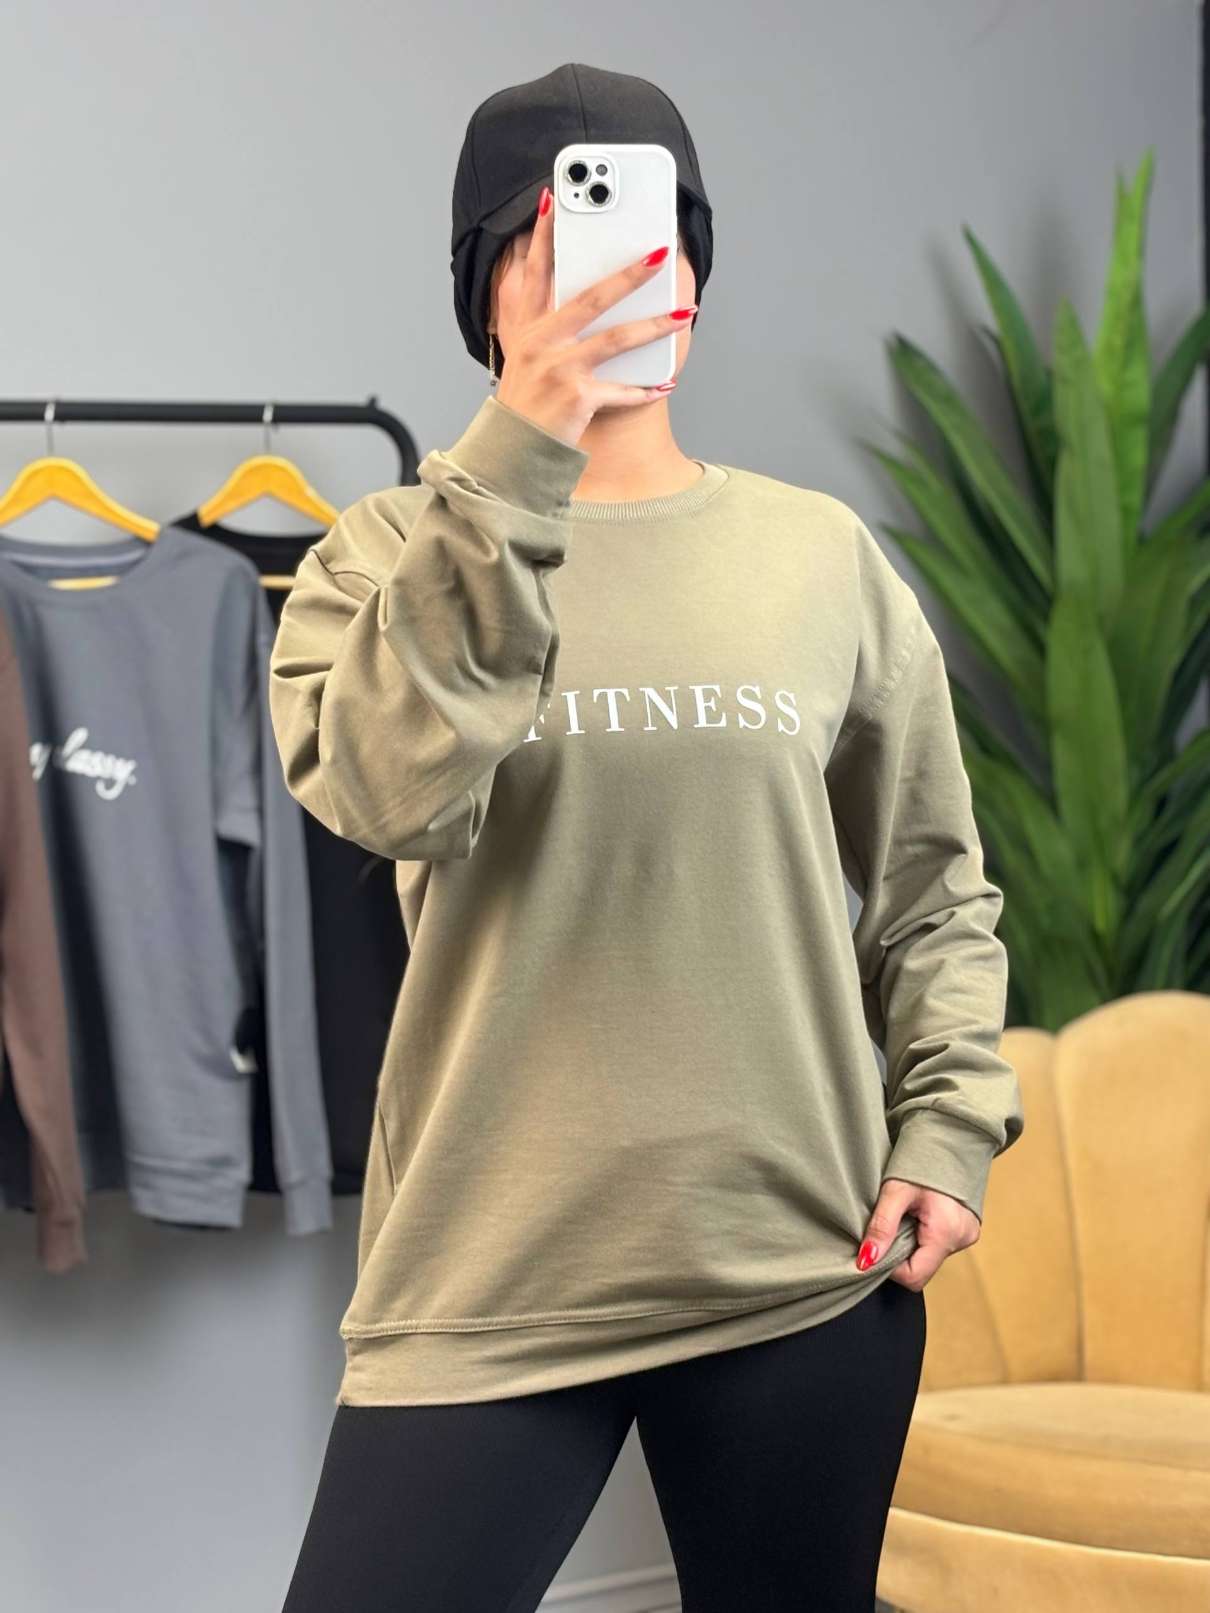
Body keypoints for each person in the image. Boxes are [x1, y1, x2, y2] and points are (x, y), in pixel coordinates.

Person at [270, 61, 1024, 1613]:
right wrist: (517, 459)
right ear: (484, 289)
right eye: (552, 240)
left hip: (800, 1273)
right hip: (488, 1280)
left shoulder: (818, 556)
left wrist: (948, 1131)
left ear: (690, 269)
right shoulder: (382, 556)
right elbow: (387, 794)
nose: (614, 267)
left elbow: (933, 886)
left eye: (648, 230)